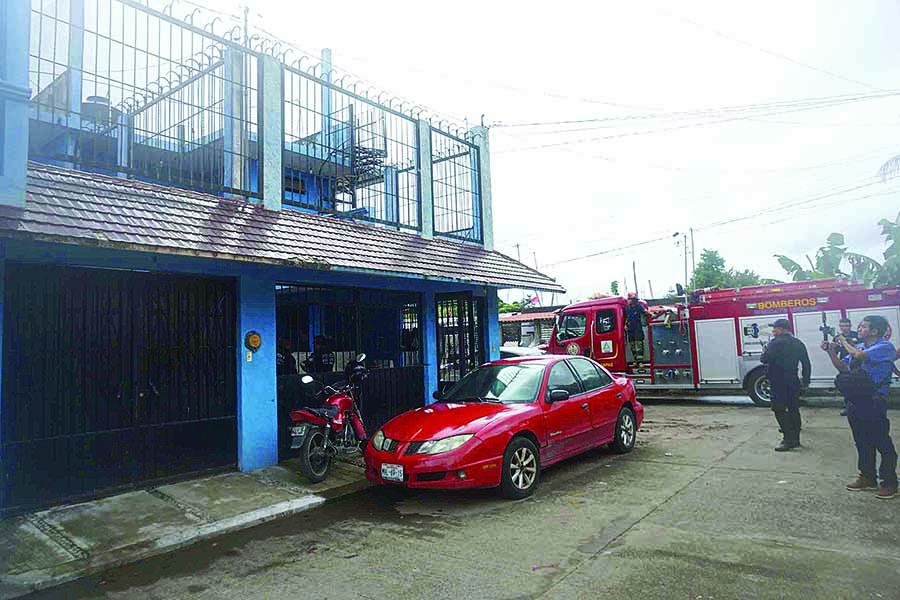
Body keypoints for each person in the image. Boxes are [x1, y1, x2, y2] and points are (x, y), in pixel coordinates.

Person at [822, 315, 897, 499]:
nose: (859, 329)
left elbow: (860, 356)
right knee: (861, 441)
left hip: (874, 400)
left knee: (881, 441)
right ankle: (867, 476)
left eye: (863, 327)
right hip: (856, 400)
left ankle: (889, 481)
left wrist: (843, 341)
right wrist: (831, 352)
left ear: (874, 331)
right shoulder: (861, 346)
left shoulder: (884, 347)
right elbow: (843, 367)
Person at [760, 318, 811, 451]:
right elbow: (806, 363)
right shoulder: (798, 343)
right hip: (793, 380)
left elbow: (764, 359)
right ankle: (796, 438)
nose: (773, 331)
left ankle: (787, 440)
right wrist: (806, 381)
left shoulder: (775, 343)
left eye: (775, 329)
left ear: (782, 329)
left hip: (778, 381)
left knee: (779, 409)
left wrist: (765, 350)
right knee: (793, 408)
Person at [835, 318, 860, 416]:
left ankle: (859, 406)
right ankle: (848, 407)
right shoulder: (837, 338)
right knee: (846, 386)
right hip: (844, 364)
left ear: (850, 326)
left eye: (846, 326)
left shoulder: (857, 335)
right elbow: (835, 351)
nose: (844, 328)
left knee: (858, 386)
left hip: (856, 363)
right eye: (842, 326)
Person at [624, 293, 647, 364]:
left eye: (634, 299)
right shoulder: (627, 308)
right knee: (632, 345)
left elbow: (645, 311)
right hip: (630, 328)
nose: (632, 301)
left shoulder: (639, 306)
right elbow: (626, 317)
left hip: (637, 328)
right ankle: (635, 360)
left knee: (639, 344)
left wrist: (652, 314)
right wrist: (625, 325)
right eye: (631, 299)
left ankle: (640, 362)